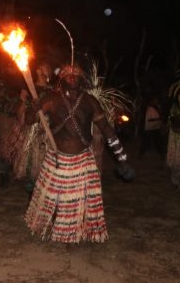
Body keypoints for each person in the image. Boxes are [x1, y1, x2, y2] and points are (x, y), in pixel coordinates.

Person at [24, 64, 134, 243]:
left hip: (83, 159)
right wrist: (33, 107)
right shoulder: (51, 99)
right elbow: (29, 121)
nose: (73, 77)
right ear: (62, 80)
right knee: (55, 199)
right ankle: (54, 228)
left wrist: (122, 158)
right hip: (57, 159)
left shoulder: (90, 101)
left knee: (81, 201)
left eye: (76, 75)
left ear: (82, 79)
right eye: (68, 75)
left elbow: (107, 129)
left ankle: (77, 231)